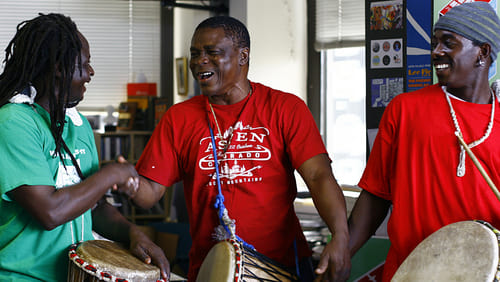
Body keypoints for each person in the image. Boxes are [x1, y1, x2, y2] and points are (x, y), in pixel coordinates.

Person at [134, 16, 350, 281]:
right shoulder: (179, 118)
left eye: (212, 53)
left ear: (243, 56)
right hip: (211, 270)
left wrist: (340, 236)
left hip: (282, 267)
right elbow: (150, 192)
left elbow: (319, 176)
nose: (200, 61)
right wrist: (119, 179)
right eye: (195, 54)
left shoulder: (286, 108)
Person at [0, 13, 169, 281]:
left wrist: (132, 232)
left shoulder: (77, 125)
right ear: (59, 67)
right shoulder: (13, 122)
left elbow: (93, 205)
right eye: (85, 64)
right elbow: (50, 211)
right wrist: (112, 173)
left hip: (75, 274)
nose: (90, 73)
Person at [348, 2, 500, 281]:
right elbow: (376, 195)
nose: (436, 52)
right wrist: (341, 253)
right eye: (434, 43)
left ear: (483, 53)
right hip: (409, 273)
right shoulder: (404, 109)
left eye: (448, 43)